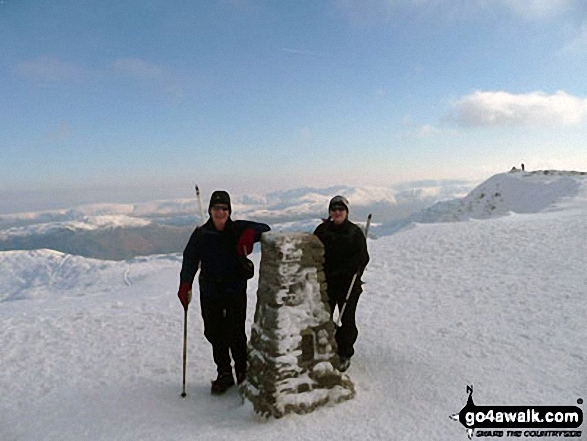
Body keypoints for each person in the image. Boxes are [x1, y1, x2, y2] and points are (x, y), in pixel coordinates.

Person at [177, 190, 270, 395]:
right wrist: (185, 284)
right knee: (214, 332)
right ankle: (224, 373)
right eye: (216, 208)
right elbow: (190, 259)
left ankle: (242, 371)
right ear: (210, 210)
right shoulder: (201, 234)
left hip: (234, 289)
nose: (220, 212)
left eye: (224, 208)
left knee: (235, 332)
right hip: (210, 291)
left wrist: (249, 235)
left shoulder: (238, 229)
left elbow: (265, 228)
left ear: (229, 211)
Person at [313, 195, 369, 372]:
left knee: (347, 320)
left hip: (348, 285)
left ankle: (345, 352)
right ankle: (326, 347)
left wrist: (355, 267)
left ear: (346, 212)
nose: (337, 212)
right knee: (324, 318)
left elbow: (364, 258)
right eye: (334, 209)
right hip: (327, 283)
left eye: (341, 209)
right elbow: (313, 251)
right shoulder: (322, 230)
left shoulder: (354, 232)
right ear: (330, 212)